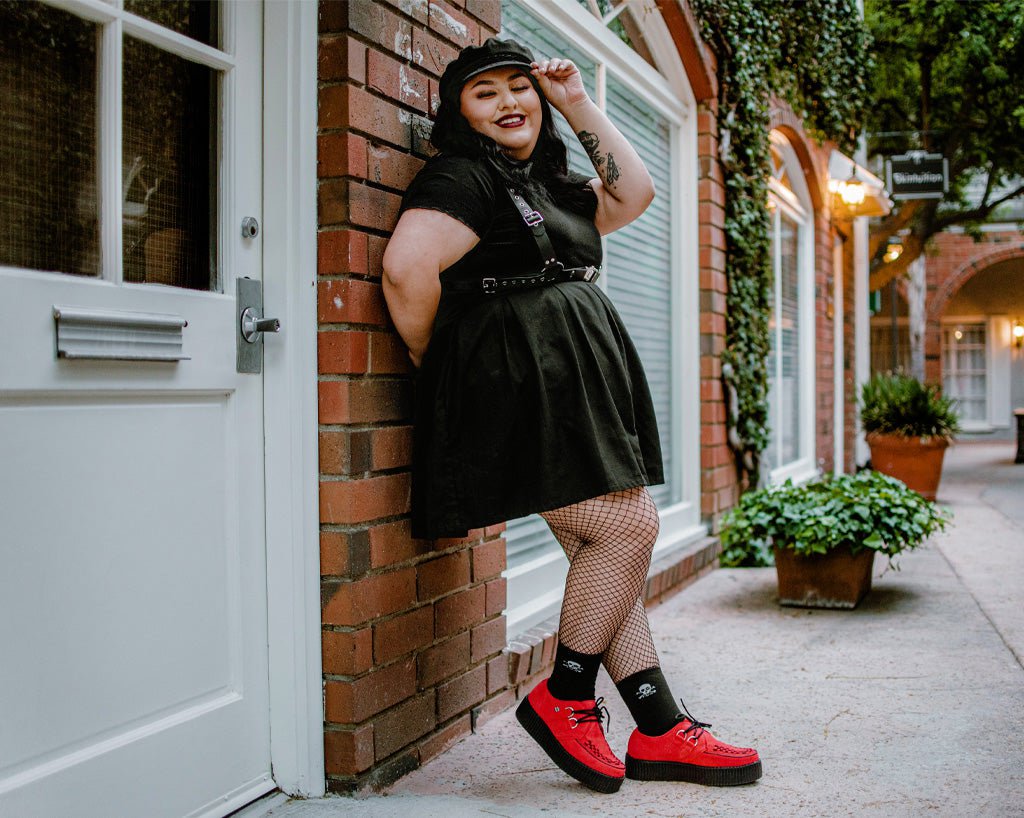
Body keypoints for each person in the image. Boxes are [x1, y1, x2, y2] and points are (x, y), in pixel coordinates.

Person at [382, 36, 762, 794]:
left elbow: (636, 195)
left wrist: (578, 102)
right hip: (513, 384)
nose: (509, 102)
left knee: (601, 549)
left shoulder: (551, 183)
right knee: (627, 526)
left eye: (518, 86)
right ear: (460, 113)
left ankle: (657, 730)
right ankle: (567, 696)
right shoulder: (464, 175)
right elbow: (405, 270)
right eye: (484, 93)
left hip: (566, 382)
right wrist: (442, 369)